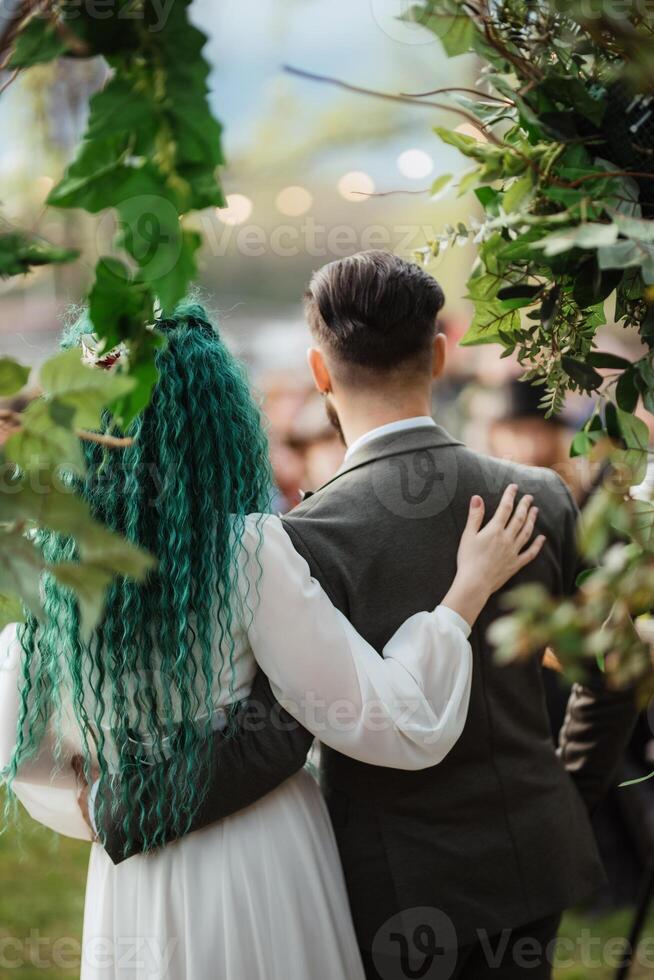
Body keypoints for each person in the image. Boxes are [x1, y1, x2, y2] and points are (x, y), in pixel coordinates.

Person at [91, 255, 638, 980]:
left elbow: (277, 734)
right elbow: (618, 666)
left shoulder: (300, 537)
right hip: (529, 855)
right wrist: (572, 787)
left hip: (392, 888)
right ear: (440, 354)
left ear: (320, 372)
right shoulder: (537, 496)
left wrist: (120, 804)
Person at [0, 302, 544, 980]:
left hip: (137, 876)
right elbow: (384, 716)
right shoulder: (245, 550)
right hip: (261, 852)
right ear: (214, 423)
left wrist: (119, 808)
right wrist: (464, 595)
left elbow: (28, 756)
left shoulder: (52, 570)